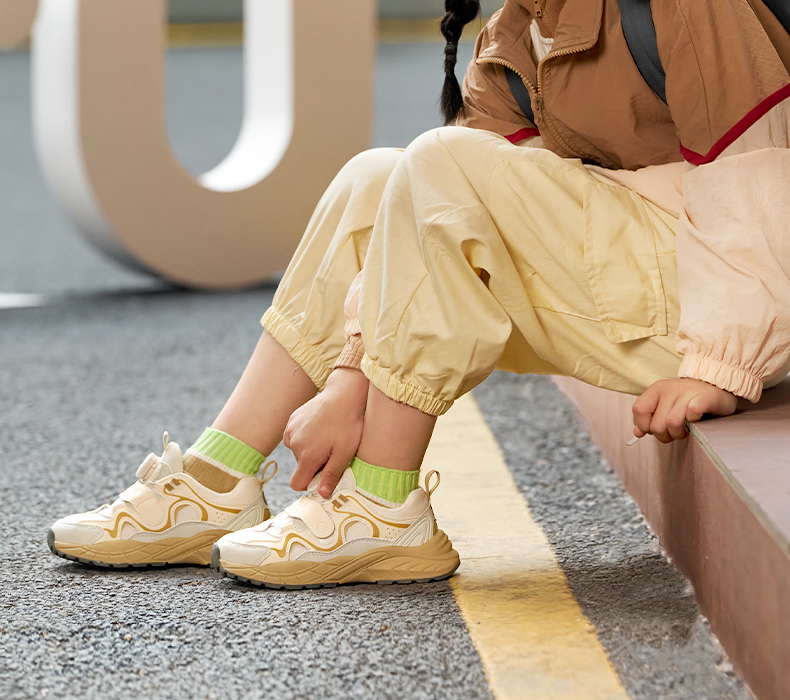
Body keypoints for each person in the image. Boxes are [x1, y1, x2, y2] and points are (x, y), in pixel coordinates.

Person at [48, 0, 790, 588]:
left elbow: (758, 169)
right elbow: (425, 213)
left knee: (440, 159)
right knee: (377, 176)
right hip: (640, 281)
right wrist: (350, 375)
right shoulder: (521, 28)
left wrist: (719, 365)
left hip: (737, 298)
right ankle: (218, 481)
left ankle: (384, 504)